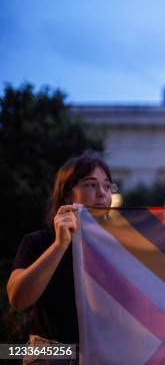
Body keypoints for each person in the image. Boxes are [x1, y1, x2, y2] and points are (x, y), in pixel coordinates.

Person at [7, 154, 113, 362]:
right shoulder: (38, 242)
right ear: (66, 196)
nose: (102, 194)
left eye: (107, 186)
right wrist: (59, 245)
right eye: (91, 185)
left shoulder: (116, 247)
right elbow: (18, 299)